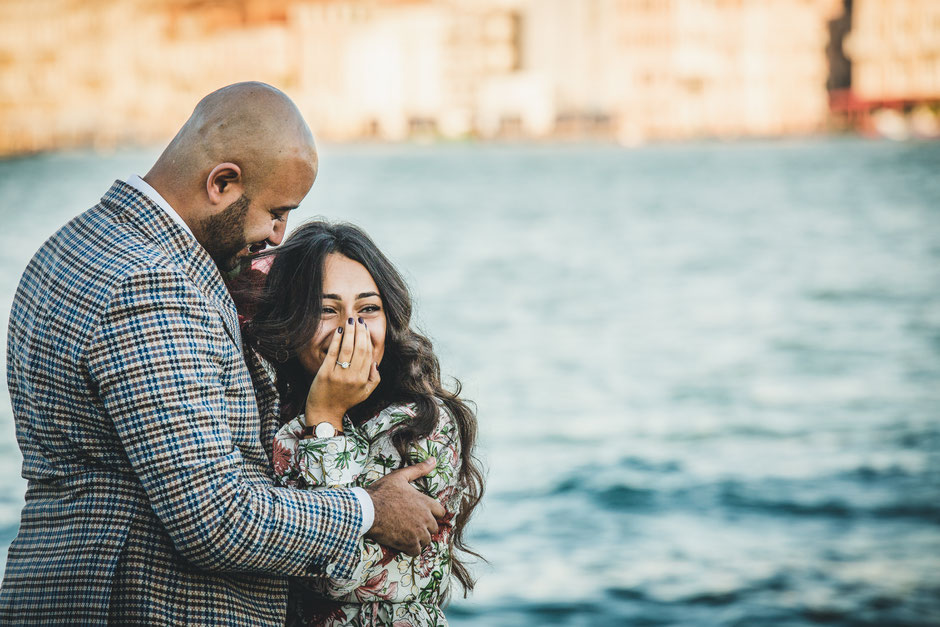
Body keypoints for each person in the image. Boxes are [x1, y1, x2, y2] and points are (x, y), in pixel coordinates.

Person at [0, 82, 444, 625]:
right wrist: (370, 509)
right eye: (277, 212)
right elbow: (215, 520)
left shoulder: (71, 245)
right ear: (222, 183)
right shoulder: (152, 285)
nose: (279, 235)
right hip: (147, 604)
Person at [230, 221, 484, 626]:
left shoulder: (424, 424)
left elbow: (334, 575)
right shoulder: (265, 409)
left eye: (368, 309)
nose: (351, 329)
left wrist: (326, 421)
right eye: (326, 310)